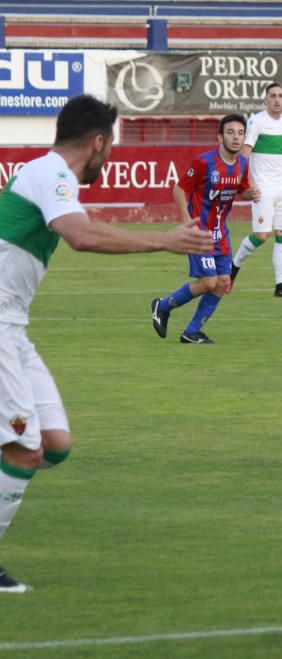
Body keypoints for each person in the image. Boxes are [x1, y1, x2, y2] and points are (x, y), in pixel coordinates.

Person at [0, 95, 213, 592]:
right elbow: (80, 235)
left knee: (53, 444)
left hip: (12, 327)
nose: (109, 156)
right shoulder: (52, 174)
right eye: (109, 147)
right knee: (24, 451)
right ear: (98, 142)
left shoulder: (45, 174)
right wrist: (163, 240)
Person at [150, 114, 260, 344]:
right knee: (209, 282)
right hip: (200, 232)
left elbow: (241, 189)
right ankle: (163, 305)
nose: (236, 137)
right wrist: (187, 222)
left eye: (240, 133)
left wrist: (252, 194)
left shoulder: (242, 163)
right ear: (219, 136)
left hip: (222, 234)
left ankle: (191, 332)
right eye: (230, 132)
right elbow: (179, 189)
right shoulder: (204, 162)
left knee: (223, 282)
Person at [230, 82, 282, 298]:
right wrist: (248, 183)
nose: (277, 100)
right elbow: (244, 153)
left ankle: (281, 287)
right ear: (265, 99)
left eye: (281, 96)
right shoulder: (257, 121)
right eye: (273, 96)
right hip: (263, 188)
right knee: (262, 235)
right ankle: (233, 269)